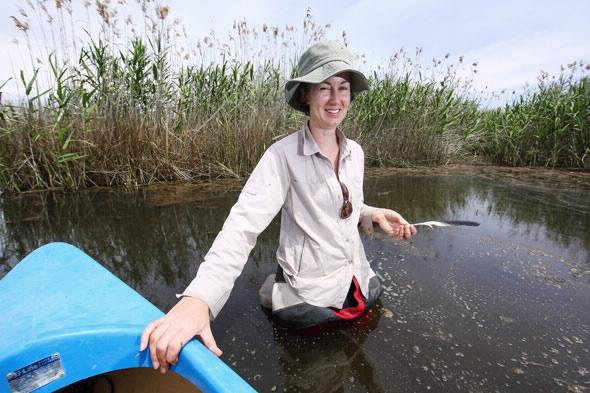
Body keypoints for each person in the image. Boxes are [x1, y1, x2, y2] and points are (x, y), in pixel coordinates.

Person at [140, 41, 417, 373]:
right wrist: (199, 299)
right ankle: (276, 292)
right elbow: (241, 228)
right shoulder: (281, 156)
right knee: (311, 371)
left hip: (354, 275)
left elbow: (348, 204)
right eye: (324, 88)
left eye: (343, 88)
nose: (335, 98)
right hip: (311, 291)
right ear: (306, 96)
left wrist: (371, 213)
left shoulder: (355, 152)